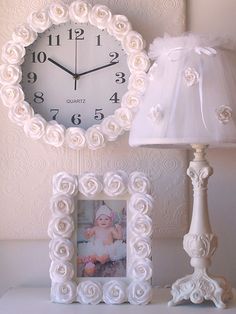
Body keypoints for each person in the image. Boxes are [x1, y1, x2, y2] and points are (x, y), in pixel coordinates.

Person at [78, 205, 126, 276]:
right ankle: (89, 264)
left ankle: (96, 259)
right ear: (97, 220)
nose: (103, 221)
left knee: (106, 256)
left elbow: (119, 237)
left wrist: (119, 230)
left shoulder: (111, 229)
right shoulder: (95, 228)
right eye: (100, 219)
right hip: (96, 248)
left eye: (106, 219)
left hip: (108, 249)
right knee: (92, 254)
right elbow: (88, 237)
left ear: (110, 221)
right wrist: (86, 233)